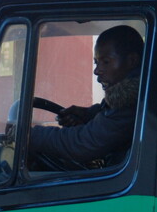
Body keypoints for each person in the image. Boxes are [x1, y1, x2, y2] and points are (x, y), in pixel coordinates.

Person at [29, 25, 143, 171]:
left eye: (106, 62)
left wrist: (31, 136)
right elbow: (108, 113)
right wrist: (87, 115)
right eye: (96, 62)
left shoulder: (132, 101)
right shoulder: (132, 94)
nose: (97, 70)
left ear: (132, 61)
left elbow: (82, 144)